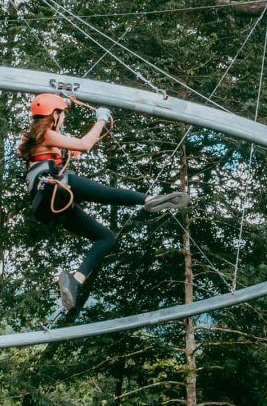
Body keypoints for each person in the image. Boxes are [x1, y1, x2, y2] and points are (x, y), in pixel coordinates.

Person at [19, 93, 189, 309]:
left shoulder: (37, 138)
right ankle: (149, 199)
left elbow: (63, 149)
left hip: (50, 207)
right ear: (54, 114)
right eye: (61, 115)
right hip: (58, 188)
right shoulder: (46, 135)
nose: (63, 120)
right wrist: (101, 118)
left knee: (106, 238)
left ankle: (75, 281)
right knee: (104, 193)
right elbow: (85, 144)